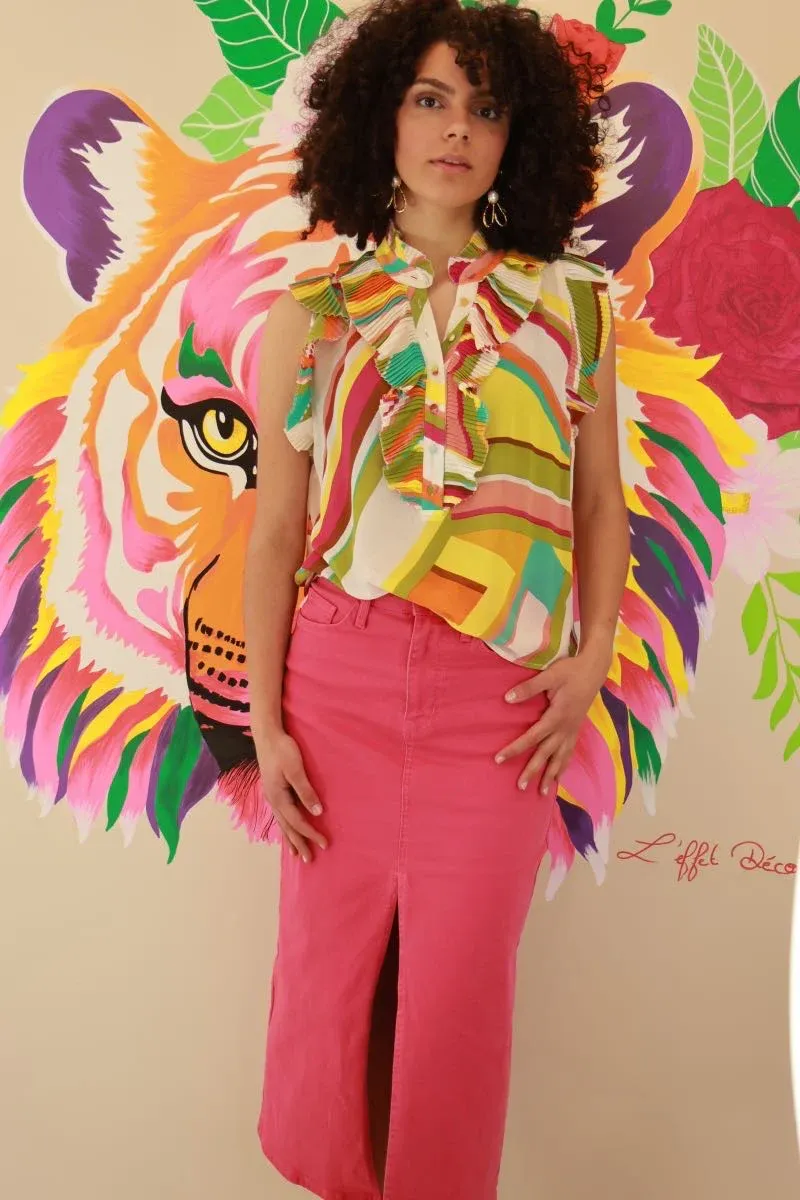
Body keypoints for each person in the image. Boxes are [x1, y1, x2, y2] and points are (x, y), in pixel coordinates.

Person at [244, 1, 630, 1197]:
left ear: (521, 136)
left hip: (496, 706)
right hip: (336, 687)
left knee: (459, 997)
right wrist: (264, 725)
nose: (455, 130)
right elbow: (275, 532)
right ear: (382, 116)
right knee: (330, 991)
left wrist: (591, 658)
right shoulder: (310, 309)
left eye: (485, 107)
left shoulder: (573, 306)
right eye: (428, 99)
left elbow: (597, 504)